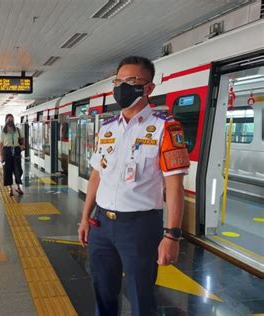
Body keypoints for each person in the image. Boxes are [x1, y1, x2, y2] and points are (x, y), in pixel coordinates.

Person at [78, 56, 190, 316]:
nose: (121, 87)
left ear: (148, 88)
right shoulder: (107, 129)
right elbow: (97, 175)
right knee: (103, 293)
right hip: (101, 225)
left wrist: (172, 236)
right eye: (118, 81)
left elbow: (174, 186)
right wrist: (85, 218)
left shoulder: (165, 128)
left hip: (141, 227)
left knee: (141, 298)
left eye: (131, 81)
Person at [0, 114, 24, 196]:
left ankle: (18, 187)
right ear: (6, 121)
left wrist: (21, 146)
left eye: (12, 119)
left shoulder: (18, 130)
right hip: (7, 151)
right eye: (9, 119)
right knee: (7, 170)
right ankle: (10, 189)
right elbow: (0, 144)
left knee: (18, 170)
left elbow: (22, 140)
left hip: (16, 150)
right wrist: (1, 156)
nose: (10, 121)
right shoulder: (3, 131)